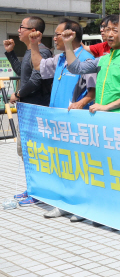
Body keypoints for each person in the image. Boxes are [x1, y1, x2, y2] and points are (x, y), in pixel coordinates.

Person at [28, 19, 97, 221]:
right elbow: (39, 66)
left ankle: (80, 205)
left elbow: (92, 92)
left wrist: (80, 103)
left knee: (78, 164)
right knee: (61, 163)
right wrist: (33, 44)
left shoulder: (86, 58)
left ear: (71, 35)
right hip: (56, 121)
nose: (55, 38)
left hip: (75, 121)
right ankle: (64, 202)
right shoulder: (59, 58)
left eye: (58, 34)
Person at [5, 16, 52, 207]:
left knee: (35, 152)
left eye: (21, 27)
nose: (18, 30)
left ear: (33, 31)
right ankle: (32, 188)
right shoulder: (30, 51)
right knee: (25, 151)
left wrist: (17, 93)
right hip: (28, 109)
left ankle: (39, 191)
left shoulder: (42, 52)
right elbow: (22, 72)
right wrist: (10, 53)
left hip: (36, 109)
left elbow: (36, 79)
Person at [65, 15, 120, 114]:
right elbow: (76, 68)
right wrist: (68, 44)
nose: (109, 34)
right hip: (102, 116)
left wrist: (106, 107)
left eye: (115, 30)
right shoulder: (103, 59)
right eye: (107, 30)